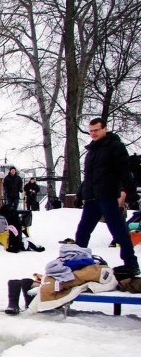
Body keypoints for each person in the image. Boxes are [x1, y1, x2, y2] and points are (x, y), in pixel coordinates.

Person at [74, 117, 139, 274]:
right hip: (92, 198)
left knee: (118, 231)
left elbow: (124, 172)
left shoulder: (115, 147)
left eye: (96, 130)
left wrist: (131, 194)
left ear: (105, 129)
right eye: (91, 131)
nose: (93, 134)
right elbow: (89, 176)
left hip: (108, 196)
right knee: (82, 231)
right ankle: (77, 262)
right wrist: (80, 194)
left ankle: (131, 263)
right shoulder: (92, 150)